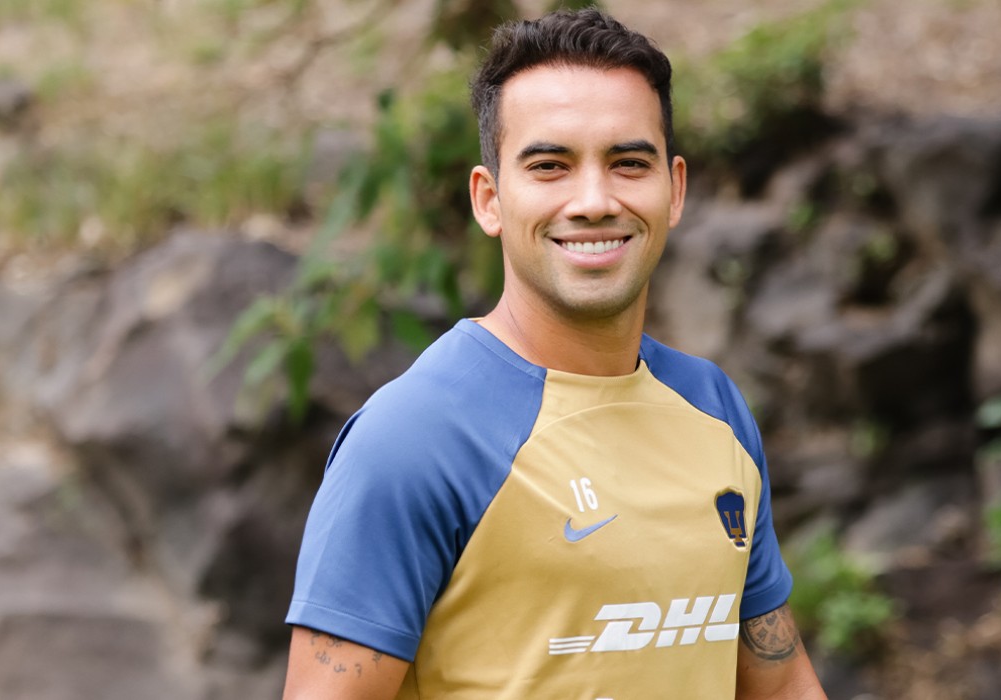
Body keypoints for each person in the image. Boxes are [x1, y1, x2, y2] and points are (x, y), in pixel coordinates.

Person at [282, 9, 825, 699]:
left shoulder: (713, 406)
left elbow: (780, 686)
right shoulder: (414, 439)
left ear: (675, 190)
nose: (594, 201)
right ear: (489, 199)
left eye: (629, 164)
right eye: (550, 167)